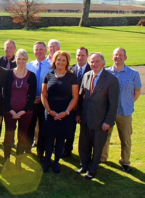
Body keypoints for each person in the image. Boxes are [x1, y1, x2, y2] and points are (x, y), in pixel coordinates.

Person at [76, 52, 119, 180]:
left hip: (100, 121)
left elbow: (113, 104)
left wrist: (108, 121)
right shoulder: (87, 75)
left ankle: (92, 169)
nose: (94, 64)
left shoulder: (111, 80)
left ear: (103, 63)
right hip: (85, 119)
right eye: (92, 62)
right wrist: (78, 114)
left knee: (97, 147)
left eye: (97, 61)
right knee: (83, 145)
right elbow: (81, 97)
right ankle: (84, 165)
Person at [101, 47, 142, 172]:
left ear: (125, 57)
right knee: (104, 137)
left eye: (120, 55)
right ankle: (102, 157)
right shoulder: (106, 73)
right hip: (108, 112)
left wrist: (128, 103)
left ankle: (125, 162)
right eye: (115, 55)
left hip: (125, 113)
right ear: (112, 57)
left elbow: (138, 91)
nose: (117, 57)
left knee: (125, 138)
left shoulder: (133, 74)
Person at [40, 51, 79, 174]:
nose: (61, 62)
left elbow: (75, 97)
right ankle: (47, 161)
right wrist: (49, 110)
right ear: (54, 61)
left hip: (65, 112)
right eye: (58, 60)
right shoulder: (48, 75)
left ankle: (56, 162)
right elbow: (43, 95)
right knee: (49, 138)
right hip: (50, 111)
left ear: (67, 62)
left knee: (61, 139)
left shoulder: (72, 77)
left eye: (63, 60)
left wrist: (66, 112)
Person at [2, 49, 36, 170]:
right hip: (9, 111)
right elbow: (4, 93)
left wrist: (24, 111)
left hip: (25, 112)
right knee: (9, 135)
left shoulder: (31, 76)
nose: (21, 61)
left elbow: (32, 97)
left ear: (27, 60)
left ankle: (18, 163)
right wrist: (10, 110)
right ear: (15, 59)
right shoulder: (8, 73)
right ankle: (6, 161)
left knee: (22, 136)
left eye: (23, 58)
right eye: (18, 58)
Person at [61, 47, 91, 158]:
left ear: (87, 56)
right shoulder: (70, 69)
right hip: (71, 106)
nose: (80, 57)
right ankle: (67, 149)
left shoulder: (91, 69)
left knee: (85, 132)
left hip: (85, 106)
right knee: (69, 129)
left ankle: (85, 153)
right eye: (78, 55)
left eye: (83, 55)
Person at [26, 41, 52, 161]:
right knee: (29, 128)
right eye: (36, 49)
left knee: (43, 129)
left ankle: (41, 153)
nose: (38, 52)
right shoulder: (28, 66)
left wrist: (42, 98)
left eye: (41, 49)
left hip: (45, 104)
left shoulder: (51, 67)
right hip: (31, 103)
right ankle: (27, 151)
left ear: (45, 50)